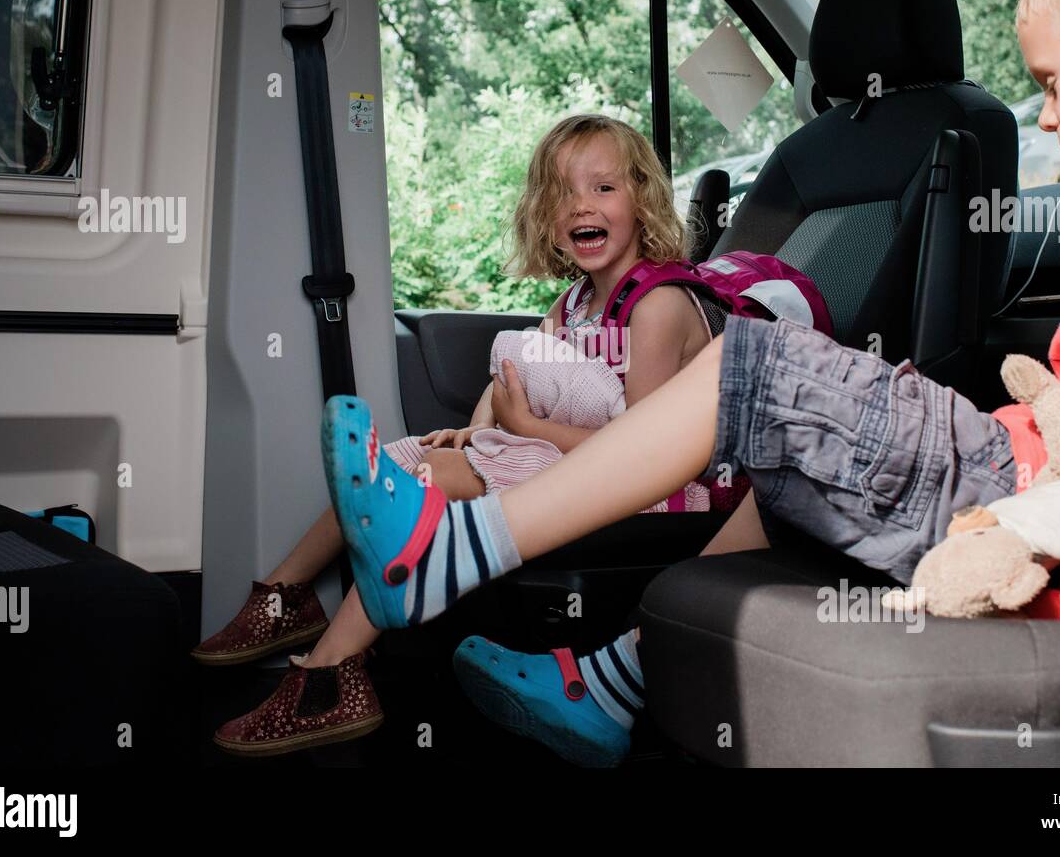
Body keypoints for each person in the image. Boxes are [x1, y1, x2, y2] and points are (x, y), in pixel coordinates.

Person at [322, 0, 1060, 766]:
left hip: (1026, 494)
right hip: (1017, 464)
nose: (1049, 115)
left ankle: (459, 552)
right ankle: (613, 677)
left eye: (1054, 81)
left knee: (755, 365)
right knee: (777, 431)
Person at [200, 113, 726, 755]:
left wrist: (523, 428)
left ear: (642, 200)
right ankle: (286, 597)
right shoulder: (575, 305)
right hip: (572, 457)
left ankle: (328, 676)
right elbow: (515, 376)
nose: (581, 205)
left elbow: (649, 451)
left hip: (654, 490)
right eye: (562, 193)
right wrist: (472, 432)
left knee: (410, 486)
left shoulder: (658, 307)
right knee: (404, 458)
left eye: (604, 188)